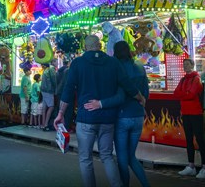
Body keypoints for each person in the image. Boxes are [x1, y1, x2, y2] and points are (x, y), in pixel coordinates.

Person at [54, 34, 146, 187]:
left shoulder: (77, 63)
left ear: (85, 47)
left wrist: (61, 114)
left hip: (86, 119)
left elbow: (68, 90)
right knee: (107, 156)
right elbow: (126, 84)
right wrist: (140, 96)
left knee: (85, 158)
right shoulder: (113, 63)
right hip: (108, 120)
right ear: (100, 45)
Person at [84, 41, 150, 187]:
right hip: (138, 116)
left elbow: (119, 95)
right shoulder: (139, 66)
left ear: (114, 52)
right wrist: (141, 101)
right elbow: (146, 92)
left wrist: (101, 103)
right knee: (131, 156)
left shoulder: (115, 67)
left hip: (122, 115)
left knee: (122, 157)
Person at [173, 58, 205, 179]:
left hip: (195, 112)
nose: (185, 66)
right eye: (184, 65)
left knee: (200, 139)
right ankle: (191, 166)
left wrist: (184, 94)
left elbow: (192, 94)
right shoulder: (183, 79)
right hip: (186, 112)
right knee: (189, 139)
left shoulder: (196, 79)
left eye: (187, 64)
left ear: (192, 65)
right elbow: (176, 93)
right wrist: (186, 94)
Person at [55, 54, 74, 131]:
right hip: (66, 93)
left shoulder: (59, 71)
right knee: (68, 110)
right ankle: (65, 128)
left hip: (59, 92)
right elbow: (68, 84)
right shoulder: (69, 71)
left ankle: (60, 127)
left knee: (61, 110)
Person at [40, 59, 57, 131]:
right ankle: (46, 124)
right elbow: (54, 80)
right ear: (53, 62)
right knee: (51, 107)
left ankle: (43, 124)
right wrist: (56, 89)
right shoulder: (52, 69)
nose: (57, 63)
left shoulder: (46, 70)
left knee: (44, 108)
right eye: (56, 62)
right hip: (48, 90)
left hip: (43, 90)